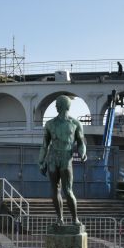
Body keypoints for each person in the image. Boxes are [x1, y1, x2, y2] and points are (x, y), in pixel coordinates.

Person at [38, 95, 88, 223]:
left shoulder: (75, 123)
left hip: (66, 158)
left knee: (68, 190)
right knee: (54, 189)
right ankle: (60, 218)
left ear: (63, 105)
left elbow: (81, 142)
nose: (55, 106)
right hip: (53, 158)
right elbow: (45, 145)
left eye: (57, 104)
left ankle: (74, 218)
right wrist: (41, 161)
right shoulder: (49, 124)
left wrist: (83, 154)